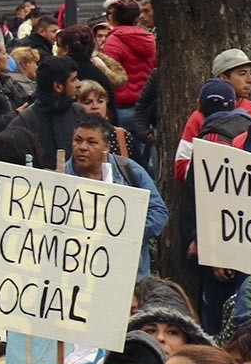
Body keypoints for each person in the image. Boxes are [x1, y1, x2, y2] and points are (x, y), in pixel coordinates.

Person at [62, 113, 167, 277]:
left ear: (106, 147)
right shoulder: (60, 178)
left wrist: (123, 232)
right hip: (78, 274)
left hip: (129, 276)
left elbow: (159, 213)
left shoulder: (129, 170)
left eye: (91, 142)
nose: (82, 147)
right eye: (78, 140)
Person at [10, 55, 80, 169]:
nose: (79, 84)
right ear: (58, 86)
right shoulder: (24, 123)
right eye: (73, 80)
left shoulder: (78, 112)